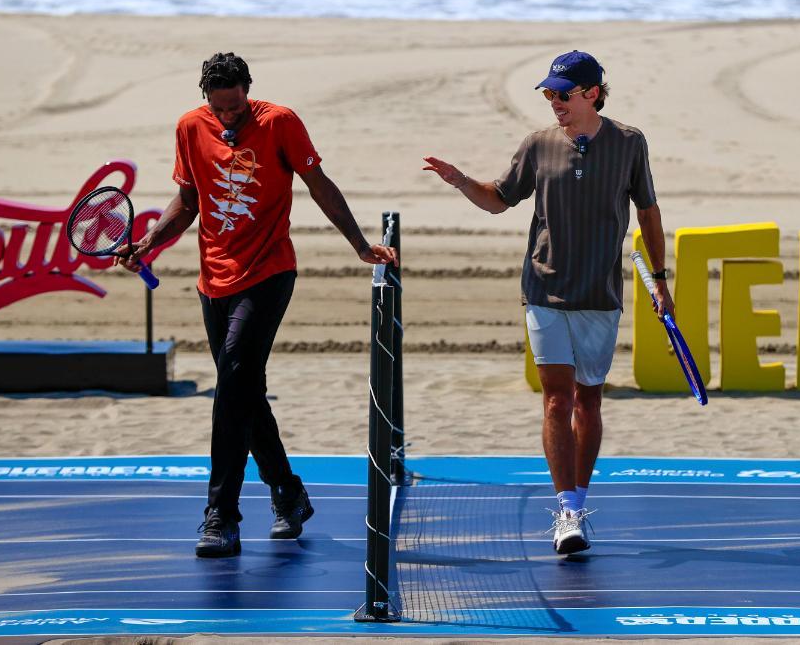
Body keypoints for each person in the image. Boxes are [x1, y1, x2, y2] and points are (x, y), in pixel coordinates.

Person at [121, 52, 397, 558]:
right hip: (213, 279)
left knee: (231, 387)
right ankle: (288, 493)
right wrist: (148, 243)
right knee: (242, 391)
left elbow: (320, 186)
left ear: (248, 90)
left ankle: (221, 515)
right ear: (205, 97)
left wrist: (359, 244)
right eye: (219, 107)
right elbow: (186, 201)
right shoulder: (189, 127)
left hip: (269, 272)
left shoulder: (280, 123)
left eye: (236, 105)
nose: (229, 115)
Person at [422, 50, 672, 555]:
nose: (553, 102)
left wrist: (661, 280)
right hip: (543, 289)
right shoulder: (537, 146)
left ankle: (579, 498)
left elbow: (648, 211)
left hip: (599, 294)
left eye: (563, 94)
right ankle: (568, 512)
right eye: (549, 94)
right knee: (556, 398)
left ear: (592, 94)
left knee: (589, 399)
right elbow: (498, 198)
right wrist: (461, 181)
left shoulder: (629, 143)